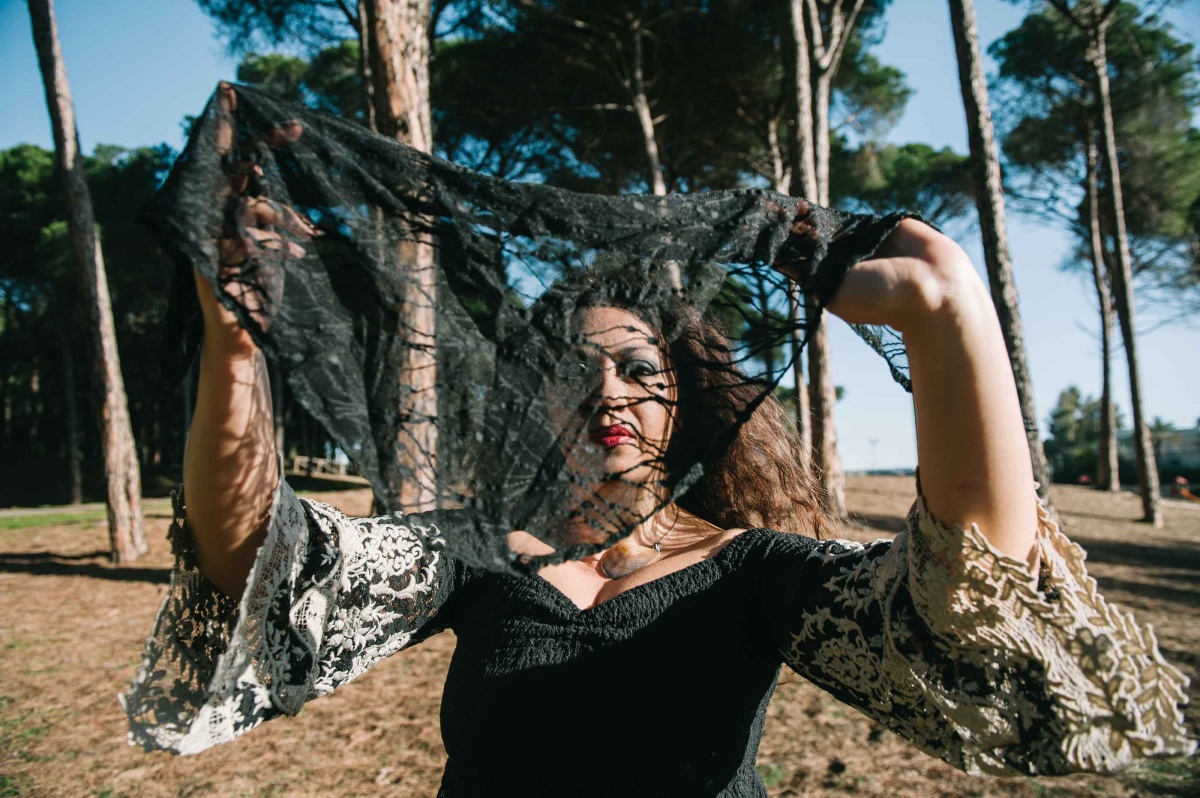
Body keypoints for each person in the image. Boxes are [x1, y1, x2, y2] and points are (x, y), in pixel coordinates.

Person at [122, 85, 1193, 796]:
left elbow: (973, 592)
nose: (609, 390)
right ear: (534, 404)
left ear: (686, 406)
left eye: (641, 369)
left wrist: (948, 309)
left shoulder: (753, 571)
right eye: (572, 367)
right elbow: (252, 557)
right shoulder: (473, 555)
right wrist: (236, 343)